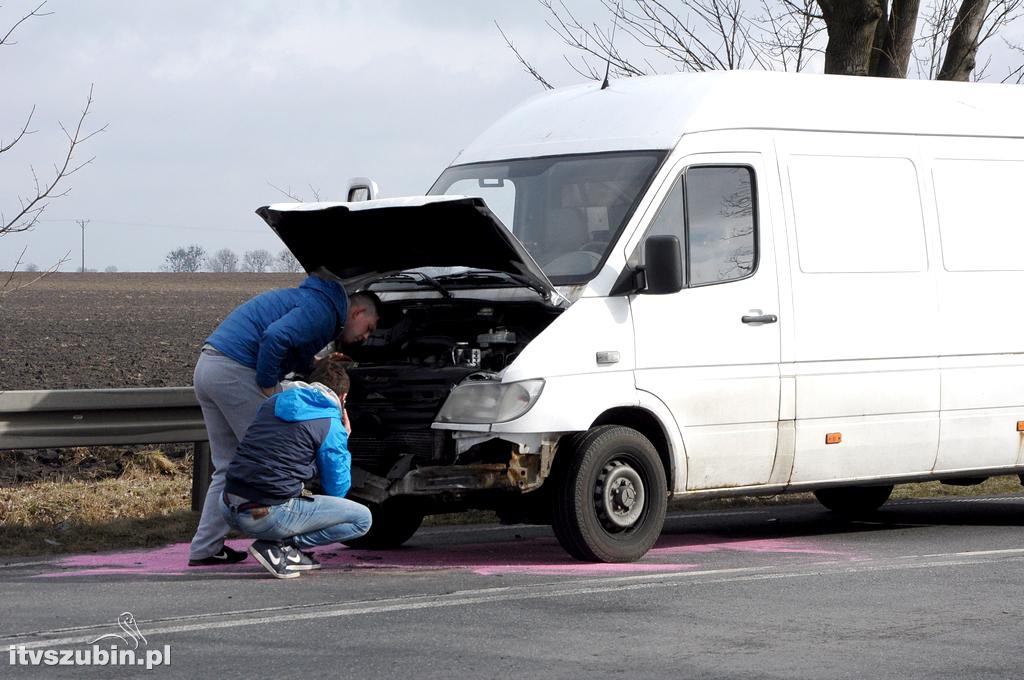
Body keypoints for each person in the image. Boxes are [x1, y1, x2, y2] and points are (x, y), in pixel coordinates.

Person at [187, 273, 380, 566]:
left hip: (209, 366)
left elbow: (292, 345)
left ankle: (205, 548)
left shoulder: (312, 302)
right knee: (276, 456)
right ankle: (280, 542)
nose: (365, 337)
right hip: (236, 370)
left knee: (227, 466)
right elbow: (276, 337)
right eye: (368, 328)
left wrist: (312, 365)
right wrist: (267, 386)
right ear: (357, 312)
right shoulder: (325, 312)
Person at [220, 355, 371, 578]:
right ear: (343, 397)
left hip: (228, 504)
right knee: (362, 519)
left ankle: (278, 543)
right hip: (265, 515)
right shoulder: (331, 423)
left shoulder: (273, 403)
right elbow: (337, 490)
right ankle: (282, 546)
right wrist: (343, 439)